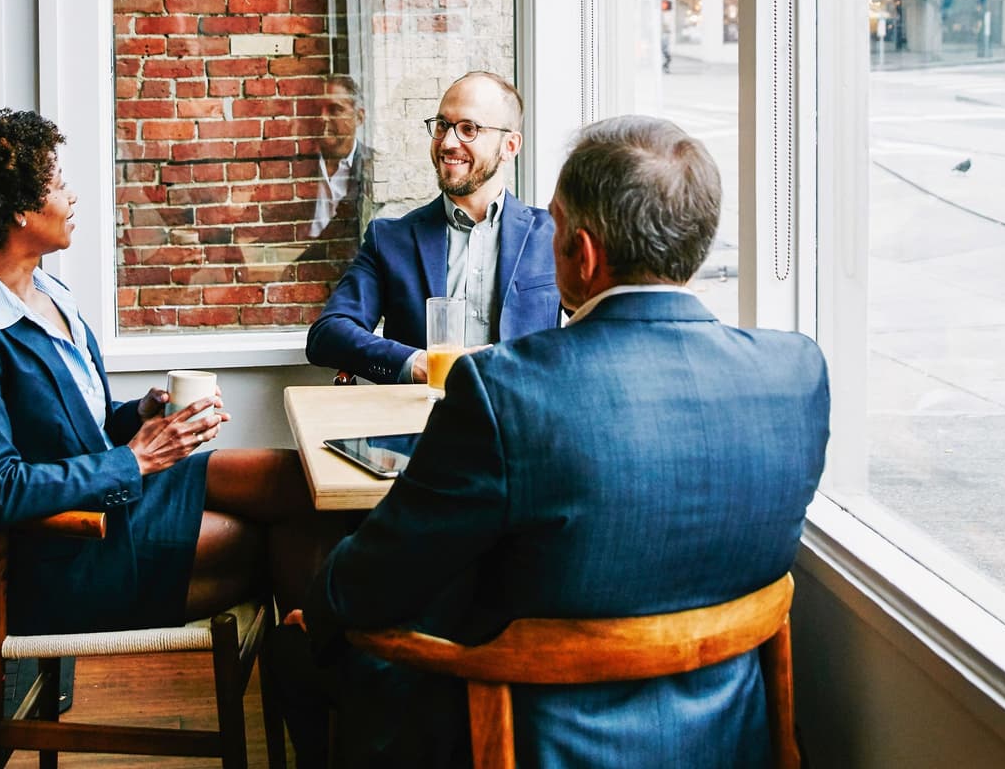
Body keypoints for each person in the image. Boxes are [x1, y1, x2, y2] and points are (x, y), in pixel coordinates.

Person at [296, 115, 832, 767]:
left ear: (582, 253)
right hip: (727, 737)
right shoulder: (797, 371)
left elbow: (369, 585)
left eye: (551, 226)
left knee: (308, 651)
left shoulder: (501, 391)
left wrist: (313, 616)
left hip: (523, 738)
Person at [0, 108, 336, 638]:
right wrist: (136, 459)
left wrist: (138, 415)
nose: (72, 198)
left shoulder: (48, 295)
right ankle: (318, 672)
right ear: (18, 209)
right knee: (270, 537)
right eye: (59, 185)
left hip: (116, 496)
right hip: (67, 547)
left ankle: (315, 657)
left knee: (302, 483)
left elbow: (71, 429)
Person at [305, 71, 559, 384]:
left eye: (468, 129)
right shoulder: (389, 240)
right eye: (442, 126)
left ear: (510, 145)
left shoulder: (554, 235)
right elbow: (328, 334)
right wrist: (420, 363)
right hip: (423, 427)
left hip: (527, 426)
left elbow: (603, 324)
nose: (448, 142)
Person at [306, 75, 371, 241]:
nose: (323, 117)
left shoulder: (373, 165)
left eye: (334, 109)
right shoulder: (297, 167)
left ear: (359, 117)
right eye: (317, 110)